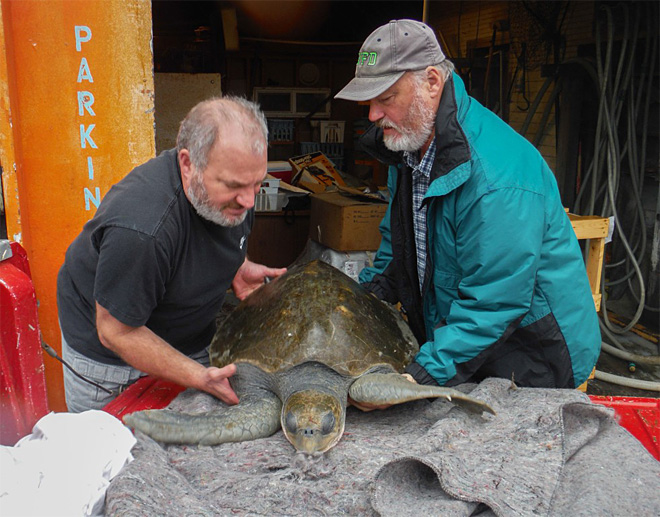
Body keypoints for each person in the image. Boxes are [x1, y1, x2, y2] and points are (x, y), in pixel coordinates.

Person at [335, 20, 600, 394]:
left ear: (431, 82)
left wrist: (420, 375)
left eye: (386, 98)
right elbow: (399, 251)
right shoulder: (408, 148)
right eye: (369, 102)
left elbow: (493, 302)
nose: (372, 116)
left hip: (533, 353)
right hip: (464, 339)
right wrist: (356, 303)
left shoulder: (496, 178)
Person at [57, 96, 286, 412]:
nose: (248, 201)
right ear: (188, 163)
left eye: (257, 183)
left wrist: (236, 265)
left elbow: (209, 237)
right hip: (112, 358)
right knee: (115, 454)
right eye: (234, 186)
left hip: (188, 337)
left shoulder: (235, 190)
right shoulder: (142, 230)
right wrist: (198, 375)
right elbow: (115, 331)